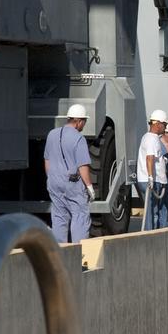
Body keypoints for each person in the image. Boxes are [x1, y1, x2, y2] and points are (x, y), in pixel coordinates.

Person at [42, 103, 95, 243]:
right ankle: (79, 251)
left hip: (54, 181)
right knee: (80, 215)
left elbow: (47, 161)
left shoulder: (52, 134)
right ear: (78, 122)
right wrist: (89, 186)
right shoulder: (79, 138)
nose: (84, 124)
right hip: (73, 183)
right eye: (84, 121)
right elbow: (83, 166)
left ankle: (61, 251)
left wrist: (52, 178)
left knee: (59, 216)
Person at [136, 109, 168, 229]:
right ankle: (148, 235)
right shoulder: (151, 138)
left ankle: (153, 233)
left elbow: (153, 157)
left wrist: (161, 160)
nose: (165, 128)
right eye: (164, 125)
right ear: (158, 124)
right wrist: (150, 176)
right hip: (150, 180)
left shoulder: (150, 137)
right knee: (150, 212)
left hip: (152, 179)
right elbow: (149, 158)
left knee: (153, 211)